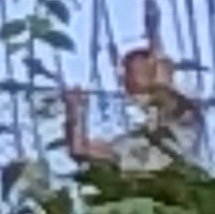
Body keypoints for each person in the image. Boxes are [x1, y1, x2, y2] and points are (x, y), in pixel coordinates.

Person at [64, 39, 201, 172]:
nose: (124, 78)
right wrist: (74, 110)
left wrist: (158, 76)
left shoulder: (180, 121)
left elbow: (168, 103)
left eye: (131, 72)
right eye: (127, 73)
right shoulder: (130, 144)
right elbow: (80, 150)